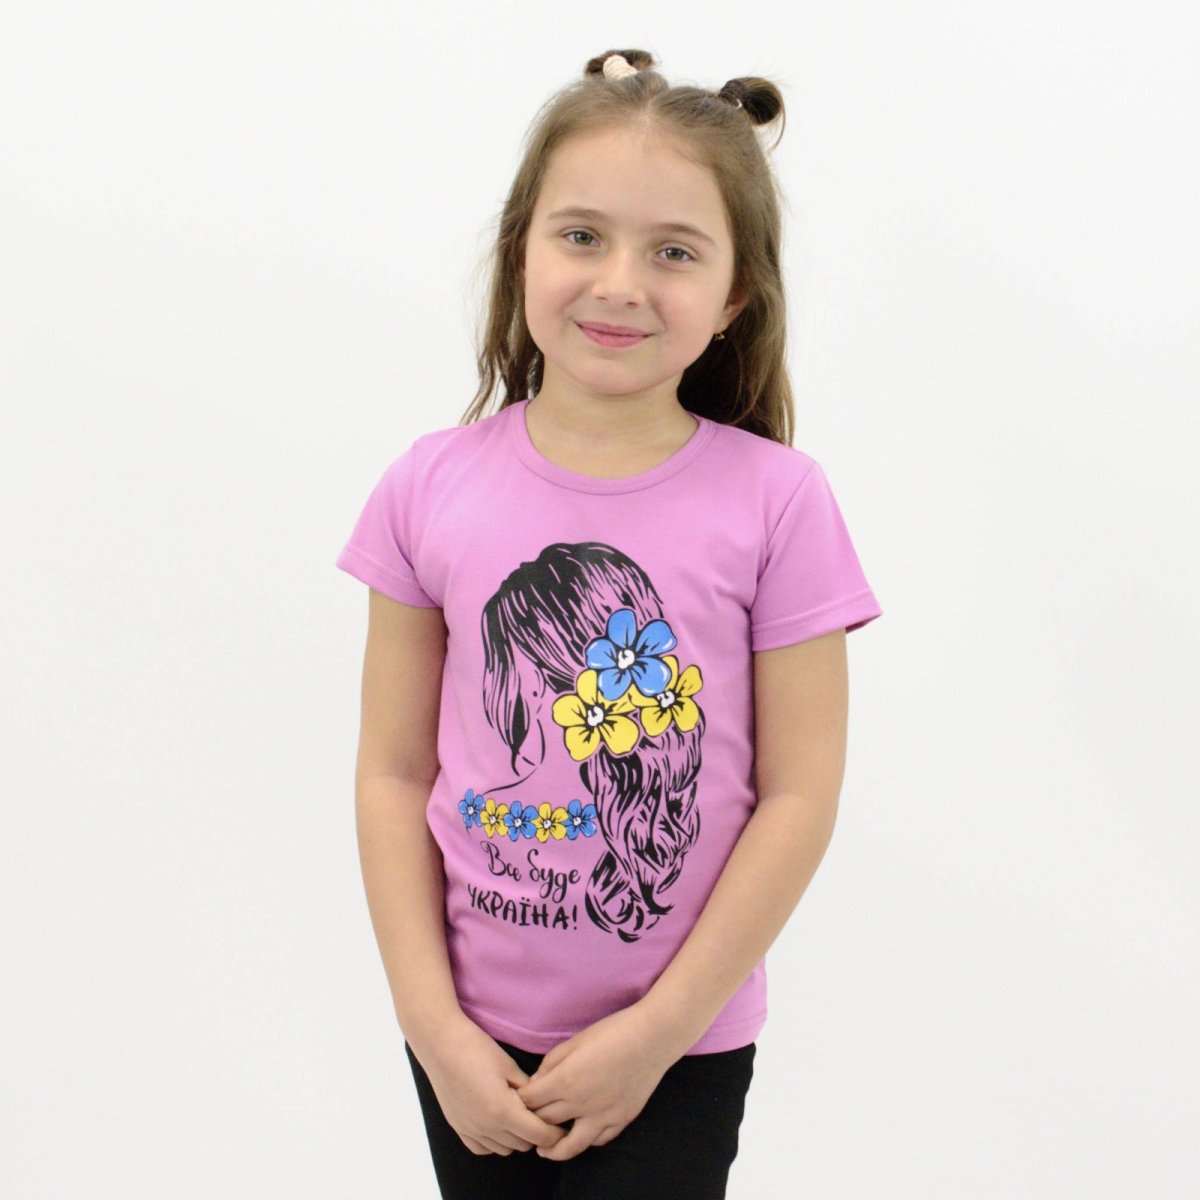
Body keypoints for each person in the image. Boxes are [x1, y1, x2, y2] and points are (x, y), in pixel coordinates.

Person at [334, 47, 883, 1200]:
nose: (620, 284)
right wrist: (433, 1027)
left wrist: (659, 1034)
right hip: (468, 1046)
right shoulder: (427, 487)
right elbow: (392, 772)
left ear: (734, 296)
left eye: (674, 252)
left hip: (678, 1046)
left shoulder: (779, 502)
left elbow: (799, 794)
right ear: (521, 252)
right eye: (581, 235)